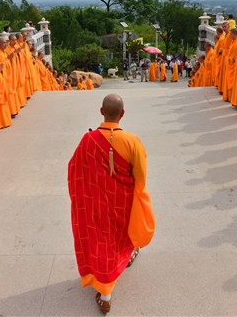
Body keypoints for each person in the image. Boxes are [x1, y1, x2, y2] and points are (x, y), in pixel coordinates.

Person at [68, 94, 156, 313]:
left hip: (95, 203)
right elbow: (140, 176)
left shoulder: (88, 140)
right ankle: (107, 291)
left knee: (101, 240)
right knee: (120, 235)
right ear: (122, 114)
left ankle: (105, 289)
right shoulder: (132, 140)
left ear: (101, 112)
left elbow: (74, 169)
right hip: (121, 202)